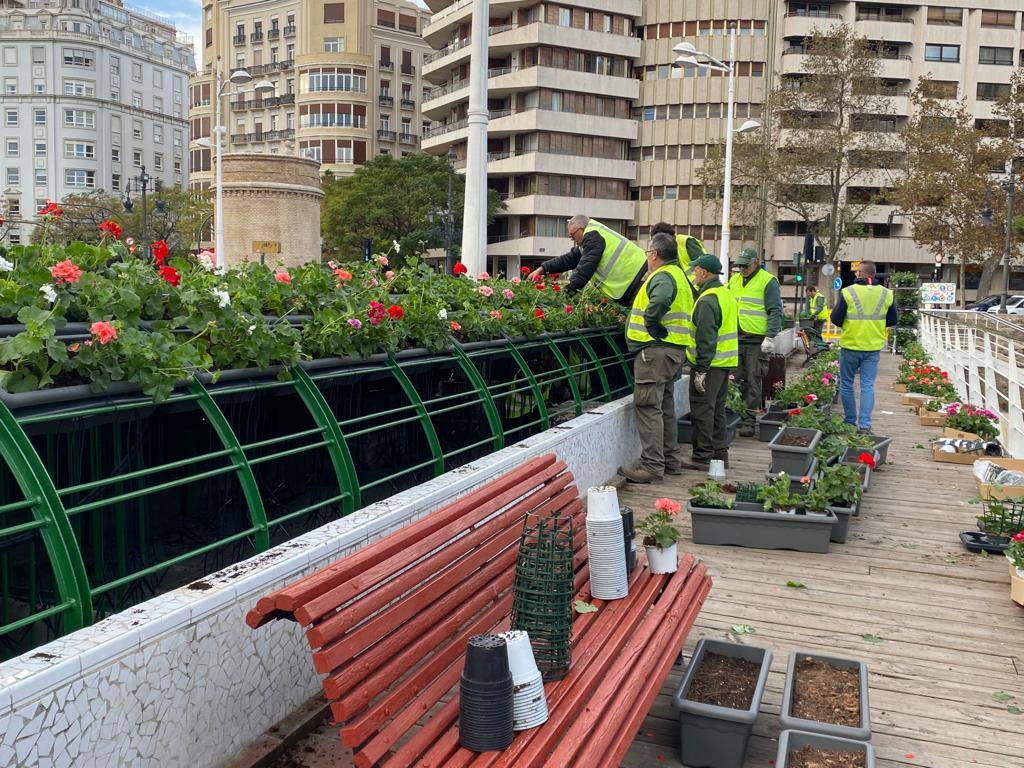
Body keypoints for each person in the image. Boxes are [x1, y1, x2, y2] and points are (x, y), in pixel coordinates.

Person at [618, 232, 694, 484]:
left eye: (648, 253)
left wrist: (652, 325)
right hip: (673, 352)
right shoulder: (679, 275)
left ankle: (652, 466)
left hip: (655, 352)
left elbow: (659, 300)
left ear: (654, 254)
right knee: (665, 407)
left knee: (649, 407)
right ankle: (671, 460)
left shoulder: (662, 276)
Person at [682, 254, 739, 471]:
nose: (694, 273)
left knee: (702, 410)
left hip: (710, 365)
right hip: (724, 364)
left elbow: (706, 339)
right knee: (717, 410)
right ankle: (720, 455)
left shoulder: (706, 300)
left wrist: (701, 371)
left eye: (696, 269)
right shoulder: (725, 294)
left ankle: (702, 457)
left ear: (704, 272)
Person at [830, 261, 897, 433]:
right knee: (867, 385)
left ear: (860, 273)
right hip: (873, 347)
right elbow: (892, 321)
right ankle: (865, 425)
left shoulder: (848, 292)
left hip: (851, 345)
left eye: (856, 272)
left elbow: (836, 319)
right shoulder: (886, 294)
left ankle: (850, 421)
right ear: (874, 274)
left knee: (846, 384)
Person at [527, 215, 647, 307]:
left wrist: (565, 295)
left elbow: (584, 270)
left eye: (572, 235)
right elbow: (569, 259)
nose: (571, 239)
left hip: (637, 280)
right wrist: (542, 269)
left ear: (581, 229)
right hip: (633, 280)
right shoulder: (591, 239)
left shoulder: (592, 236)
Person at [727, 248, 783, 437]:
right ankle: (736, 415)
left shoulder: (768, 281)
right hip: (736, 338)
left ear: (756, 262)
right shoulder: (734, 280)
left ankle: (749, 420)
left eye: (745, 265)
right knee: (736, 379)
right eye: (739, 265)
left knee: (753, 380)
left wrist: (770, 336)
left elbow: (775, 310)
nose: (742, 269)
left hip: (756, 340)